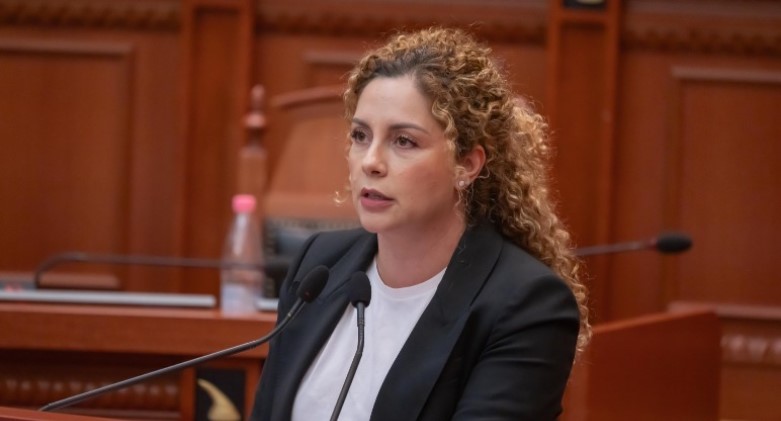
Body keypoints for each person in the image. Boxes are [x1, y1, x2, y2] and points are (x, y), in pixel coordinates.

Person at [250, 27, 590, 421]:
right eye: (360, 135)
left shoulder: (525, 305)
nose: (370, 162)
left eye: (404, 141)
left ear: (467, 164)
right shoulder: (319, 266)